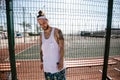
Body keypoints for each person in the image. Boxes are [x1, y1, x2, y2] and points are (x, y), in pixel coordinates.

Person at [37, 10, 66, 80]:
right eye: (40, 24)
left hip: (58, 68)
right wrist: (42, 62)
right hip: (47, 69)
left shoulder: (57, 31)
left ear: (47, 20)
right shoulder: (41, 35)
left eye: (44, 22)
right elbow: (41, 50)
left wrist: (61, 61)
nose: (42, 25)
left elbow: (62, 47)